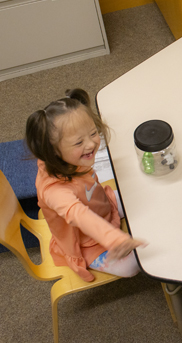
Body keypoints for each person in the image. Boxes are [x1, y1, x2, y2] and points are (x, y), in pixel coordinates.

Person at [25, 88, 146, 282]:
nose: (91, 144)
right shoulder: (54, 192)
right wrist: (113, 238)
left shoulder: (69, 159)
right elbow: (79, 215)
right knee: (134, 265)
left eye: (92, 133)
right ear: (53, 151)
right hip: (87, 242)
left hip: (102, 204)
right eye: (78, 142)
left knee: (136, 195)